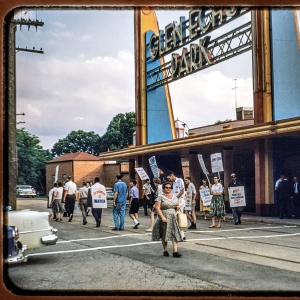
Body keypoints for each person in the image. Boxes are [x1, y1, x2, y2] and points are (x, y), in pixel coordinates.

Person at [152, 181, 183, 257]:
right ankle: (165, 250)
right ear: (163, 189)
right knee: (164, 234)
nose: (168, 189)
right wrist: (162, 217)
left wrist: (178, 207)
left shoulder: (174, 196)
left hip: (174, 217)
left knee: (175, 233)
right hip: (164, 217)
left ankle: (175, 251)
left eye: (170, 188)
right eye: (166, 187)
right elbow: (157, 208)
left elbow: (177, 205)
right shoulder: (160, 197)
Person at [165, 171, 186, 240]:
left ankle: (182, 234)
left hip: (180, 200)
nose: (169, 180)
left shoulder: (180, 180)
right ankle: (178, 233)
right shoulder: (173, 184)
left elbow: (182, 191)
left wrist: (175, 198)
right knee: (174, 217)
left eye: (169, 178)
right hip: (175, 201)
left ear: (172, 175)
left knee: (179, 217)